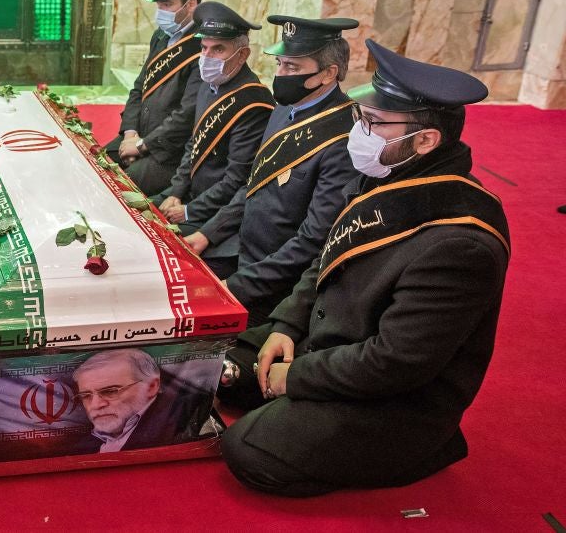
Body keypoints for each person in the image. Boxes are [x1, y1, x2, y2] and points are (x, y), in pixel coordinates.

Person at [218, 39, 511, 497]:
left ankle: (426, 449)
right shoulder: (392, 174)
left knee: (249, 450)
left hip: (397, 397)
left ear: (426, 139)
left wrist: (295, 376)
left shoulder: (460, 241)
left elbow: (397, 362)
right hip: (334, 342)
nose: (360, 132)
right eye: (361, 117)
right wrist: (285, 326)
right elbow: (326, 259)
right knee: (223, 368)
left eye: (373, 123)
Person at [183, 16, 360, 327]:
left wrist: (235, 288)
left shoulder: (342, 137)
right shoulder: (284, 110)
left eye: (292, 68)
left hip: (277, 286)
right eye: (279, 64)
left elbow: (312, 240)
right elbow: (252, 185)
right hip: (242, 252)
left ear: (329, 73)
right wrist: (207, 234)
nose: (280, 75)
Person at [152, 2, 274, 236]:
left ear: (243, 54)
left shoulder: (252, 103)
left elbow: (236, 180)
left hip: (215, 212)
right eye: (204, 48)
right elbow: (194, 144)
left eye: (218, 49)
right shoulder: (211, 85)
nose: (207, 57)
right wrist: (176, 192)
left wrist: (188, 210)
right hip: (189, 195)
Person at [105, 0, 207, 195]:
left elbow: (186, 113)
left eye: (167, 5)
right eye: (159, 6)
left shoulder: (203, 47)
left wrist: (143, 145)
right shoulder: (161, 36)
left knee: (120, 189)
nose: (160, 12)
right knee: (95, 163)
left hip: (167, 151)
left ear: (190, 5)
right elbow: (139, 88)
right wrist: (130, 134)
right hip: (137, 136)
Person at [70, 349, 210, 453]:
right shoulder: (80, 446)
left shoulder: (182, 422)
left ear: (151, 386)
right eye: (86, 396)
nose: (95, 405)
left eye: (111, 391)